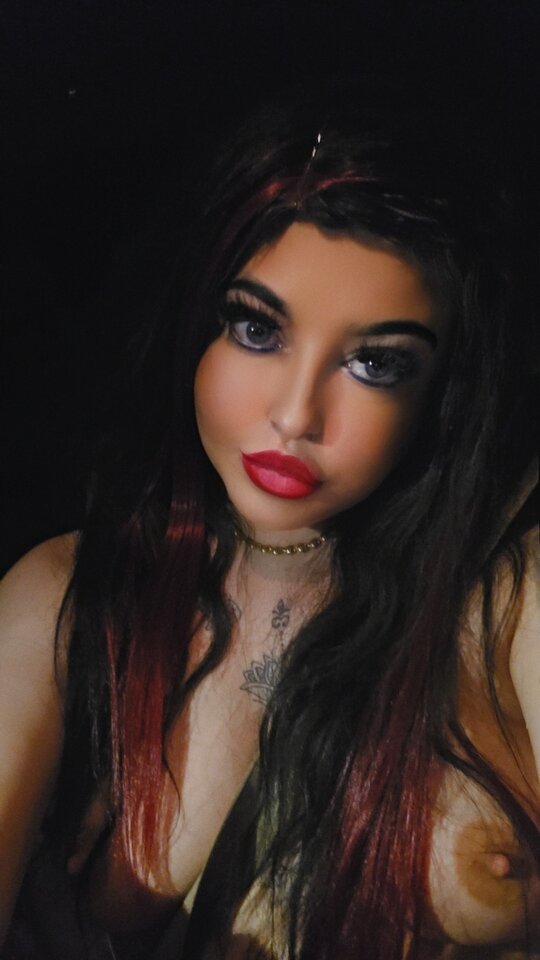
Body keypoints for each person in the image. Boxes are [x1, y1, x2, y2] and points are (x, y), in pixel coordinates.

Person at [0, 85, 538, 960]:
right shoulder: (72, 595)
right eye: (257, 329)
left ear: (442, 396)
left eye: (375, 364)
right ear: (195, 330)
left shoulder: (509, 607)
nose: (294, 415)